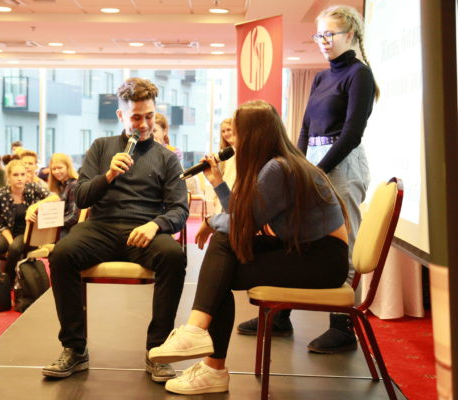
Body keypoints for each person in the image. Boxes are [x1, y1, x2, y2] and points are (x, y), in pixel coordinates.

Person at [147, 100, 349, 395]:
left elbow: (241, 223)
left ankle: (206, 351)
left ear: (253, 135)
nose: (231, 139)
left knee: (222, 264)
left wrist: (211, 220)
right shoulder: (278, 163)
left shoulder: (278, 169)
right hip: (307, 250)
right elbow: (244, 215)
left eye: (236, 132)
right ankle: (203, 348)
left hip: (323, 260)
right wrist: (218, 184)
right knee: (223, 255)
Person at [236, 5, 377, 354]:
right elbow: (304, 128)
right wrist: (293, 166)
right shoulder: (321, 77)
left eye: (330, 34)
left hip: (342, 164)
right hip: (313, 161)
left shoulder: (359, 74)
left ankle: (342, 326)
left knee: (343, 240)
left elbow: (352, 134)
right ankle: (281, 314)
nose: (323, 41)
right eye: (319, 35)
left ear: (350, 35)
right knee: (296, 234)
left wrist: (314, 172)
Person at [42, 77, 188, 383]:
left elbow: (179, 209)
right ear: (121, 116)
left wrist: (155, 224)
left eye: (149, 116)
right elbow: (81, 197)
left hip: (144, 230)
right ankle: (74, 349)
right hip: (101, 227)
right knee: (62, 254)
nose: (144, 125)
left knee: (174, 256)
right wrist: (107, 175)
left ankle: (158, 349)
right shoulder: (101, 147)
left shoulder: (166, 158)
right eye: (136, 118)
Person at [0, 159, 52, 286]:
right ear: (8, 177)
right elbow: (2, 224)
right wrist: (10, 242)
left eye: (22, 174)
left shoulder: (33, 188)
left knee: (14, 248)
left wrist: (34, 207)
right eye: (15, 175)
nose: (19, 178)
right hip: (8, 232)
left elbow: (55, 197)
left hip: (28, 232)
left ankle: (7, 282)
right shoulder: (0, 195)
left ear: (26, 176)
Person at [47, 153, 79, 237]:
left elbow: (74, 217)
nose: (56, 172)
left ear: (68, 167)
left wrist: (53, 224)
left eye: (60, 168)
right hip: (58, 227)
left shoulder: (74, 185)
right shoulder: (58, 186)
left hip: (69, 230)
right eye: (54, 169)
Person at [213, 118, 236, 214]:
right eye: (223, 131)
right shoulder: (223, 154)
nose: (226, 134)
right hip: (223, 195)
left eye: (228, 130)